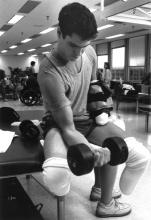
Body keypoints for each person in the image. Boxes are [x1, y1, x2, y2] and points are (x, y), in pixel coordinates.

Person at [38, 2, 150, 218]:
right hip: (59, 124)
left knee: (117, 145)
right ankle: (99, 191)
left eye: (83, 46)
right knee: (55, 175)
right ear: (59, 33)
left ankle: (104, 199)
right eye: (73, 46)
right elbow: (68, 128)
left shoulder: (88, 51)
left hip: (86, 119)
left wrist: (104, 114)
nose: (78, 53)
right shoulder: (48, 71)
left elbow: (93, 90)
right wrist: (90, 149)